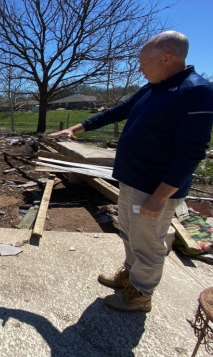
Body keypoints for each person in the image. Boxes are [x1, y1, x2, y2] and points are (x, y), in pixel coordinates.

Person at [48, 31, 213, 312]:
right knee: (129, 234)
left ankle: (140, 295)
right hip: (131, 180)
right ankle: (130, 276)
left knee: (148, 243)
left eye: (143, 62)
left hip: (154, 188)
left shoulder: (195, 91)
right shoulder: (153, 88)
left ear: (166, 58)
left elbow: (193, 152)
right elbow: (115, 112)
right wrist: (75, 128)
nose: (139, 68)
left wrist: (159, 198)